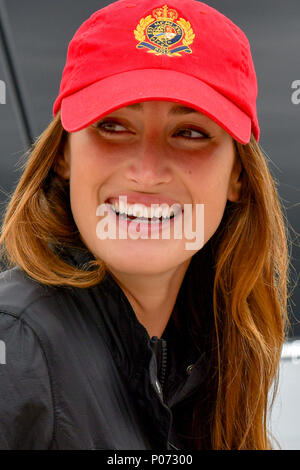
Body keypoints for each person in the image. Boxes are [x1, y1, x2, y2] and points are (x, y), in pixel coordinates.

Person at [0, 0, 290, 450]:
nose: (148, 172)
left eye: (190, 133)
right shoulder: (14, 348)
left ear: (238, 175)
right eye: (113, 126)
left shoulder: (213, 353)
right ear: (62, 155)